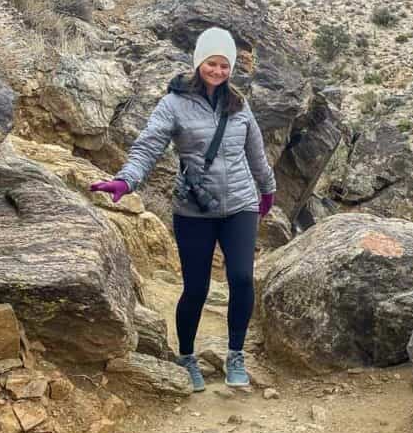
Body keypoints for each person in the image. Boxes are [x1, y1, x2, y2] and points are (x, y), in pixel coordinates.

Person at [90, 27, 276, 392]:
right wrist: (126, 180)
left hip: (240, 204)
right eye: (212, 63)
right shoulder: (173, 104)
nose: (218, 70)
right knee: (196, 288)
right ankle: (187, 356)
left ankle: (235, 354)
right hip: (194, 210)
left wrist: (267, 189)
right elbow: (148, 147)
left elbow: (256, 152)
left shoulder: (238, 105)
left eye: (225, 65)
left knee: (240, 278)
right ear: (198, 62)